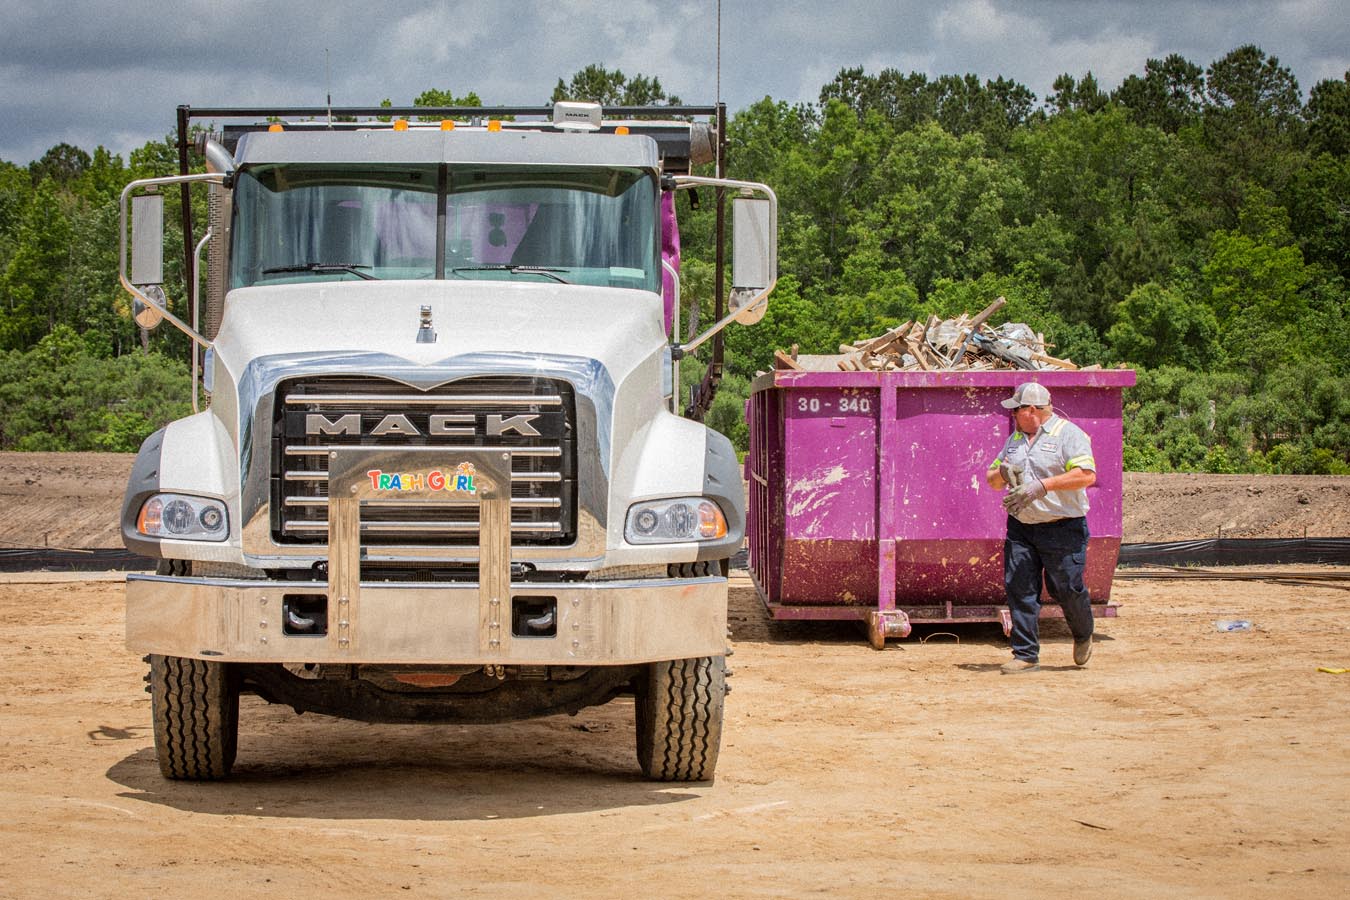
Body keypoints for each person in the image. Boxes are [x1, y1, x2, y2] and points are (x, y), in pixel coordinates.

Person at [986, 382, 1097, 674]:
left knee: (1066, 589)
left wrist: (1043, 486)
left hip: (1063, 527)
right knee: (1020, 588)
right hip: (1022, 526)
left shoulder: (1068, 435)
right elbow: (991, 478)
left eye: (1016, 410)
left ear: (1031, 410)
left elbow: (1085, 475)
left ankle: (1083, 632)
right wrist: (1001, 473)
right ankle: (1025, 655)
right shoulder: (1015, 440)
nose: (1012, 415)